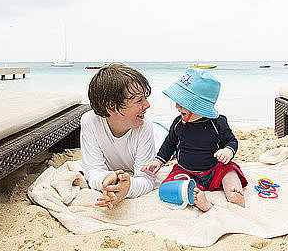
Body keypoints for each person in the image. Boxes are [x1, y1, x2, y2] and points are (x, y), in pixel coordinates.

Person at [142, 68, 247, 211]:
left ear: (199, 106)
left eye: (182, 102)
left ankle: (234, 193)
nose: (177, 106)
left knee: (229, 169)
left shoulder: (217, 123)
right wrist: (158, 160)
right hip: (186, 171)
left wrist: (227, 151)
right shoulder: (178, 123)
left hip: (213, 169)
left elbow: (231, 141)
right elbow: (170, 143)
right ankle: (198, 198)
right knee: (166, 188)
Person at [81, 63, 157, 209]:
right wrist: (106, 180)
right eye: (139, 100)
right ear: (111, 107)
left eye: (144, 98)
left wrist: (128, 188)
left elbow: (147, 180)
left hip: (158, 138)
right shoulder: (90, 121)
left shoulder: (144, 125)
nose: (147, 105)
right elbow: (94, 171)